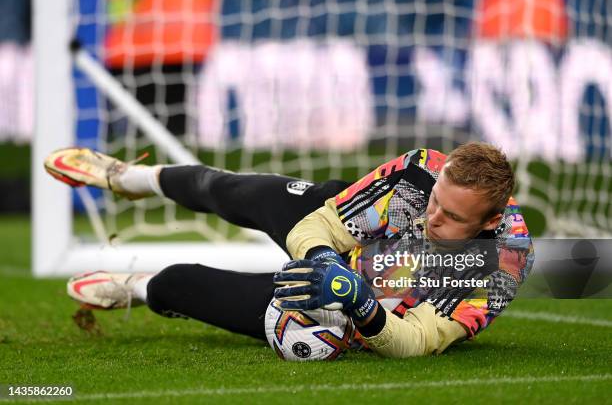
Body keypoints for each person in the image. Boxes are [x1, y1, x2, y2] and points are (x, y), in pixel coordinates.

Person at [44, 142, 534, 358]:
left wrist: (358, 302)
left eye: (451, 218)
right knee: (237, 192)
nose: (433, 217)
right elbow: (318, 227)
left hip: (378, 308)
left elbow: (415, 342)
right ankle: (128, 178)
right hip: (351, 236)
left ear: (489, 222)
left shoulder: (499, 265)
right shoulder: (420, 172)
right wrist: (324, 260)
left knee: (183, 285)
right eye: (434, 203)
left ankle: (140, 288)